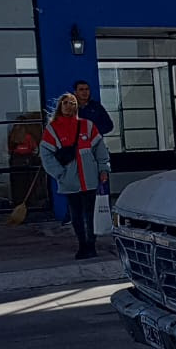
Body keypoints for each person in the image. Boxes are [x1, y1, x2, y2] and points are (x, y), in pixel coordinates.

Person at [40, 93, 110, 259]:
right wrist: (60, 173)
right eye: (65, 103)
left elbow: (100, 150)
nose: (68, 106)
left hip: (90, 179)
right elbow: (46, 156)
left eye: (72, 103)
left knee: (91, 214)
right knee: (76, 215)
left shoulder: (88, 125)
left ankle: (91, 245)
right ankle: (82, 245)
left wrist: (103, 169)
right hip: (69, 181)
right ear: (60, 106)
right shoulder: (52, 129)